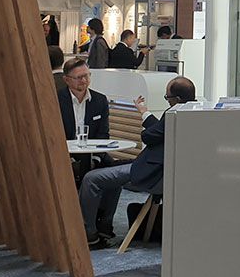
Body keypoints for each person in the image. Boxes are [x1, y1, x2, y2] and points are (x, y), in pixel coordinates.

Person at [77, 76, 197, 248]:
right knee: (110, 168)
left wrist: (146, 120)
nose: (167, 101)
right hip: (163, 172)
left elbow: (149, 136)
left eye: (167, 97)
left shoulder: (174, 113)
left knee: (91, 178)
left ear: (176, 99)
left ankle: (90, 234)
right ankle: (104, 228)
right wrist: (144, 112)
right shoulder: (193, 113)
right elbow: (160, 130)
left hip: (153, 173)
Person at [58, 58, 112, 182]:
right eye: (79, 77)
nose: (84, 80)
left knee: (115, 175)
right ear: (66, 80)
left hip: (93, 154)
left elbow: (103, 133)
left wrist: (96, 158)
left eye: (86, 76)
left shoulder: (100, 100)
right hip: (64, 155)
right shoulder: (57, 100)